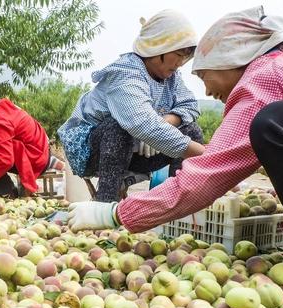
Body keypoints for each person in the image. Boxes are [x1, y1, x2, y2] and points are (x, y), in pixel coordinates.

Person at [67, 6, 283, 299]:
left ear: (229, 59)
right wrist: (212, 157)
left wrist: (115, 214)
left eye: (203, 76)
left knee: (271, 125)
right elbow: (140, 123)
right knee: (279, 131)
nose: (208, 91)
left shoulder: (263, 79)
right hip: (98, 146)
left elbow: (200, 162)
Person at [57, 9, 206, 203]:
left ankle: (177, 205)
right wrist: (208, 156)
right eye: (178, 54)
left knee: (191, 130)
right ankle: (105, 205)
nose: (180, 63)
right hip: (93, 151)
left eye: (185, 57)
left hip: (135, 150)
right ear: (158, 48)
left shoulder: (171, 77)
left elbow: (190, 105)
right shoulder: (126, 73)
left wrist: (164, 122)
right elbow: (142, 125)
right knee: (118, 126)